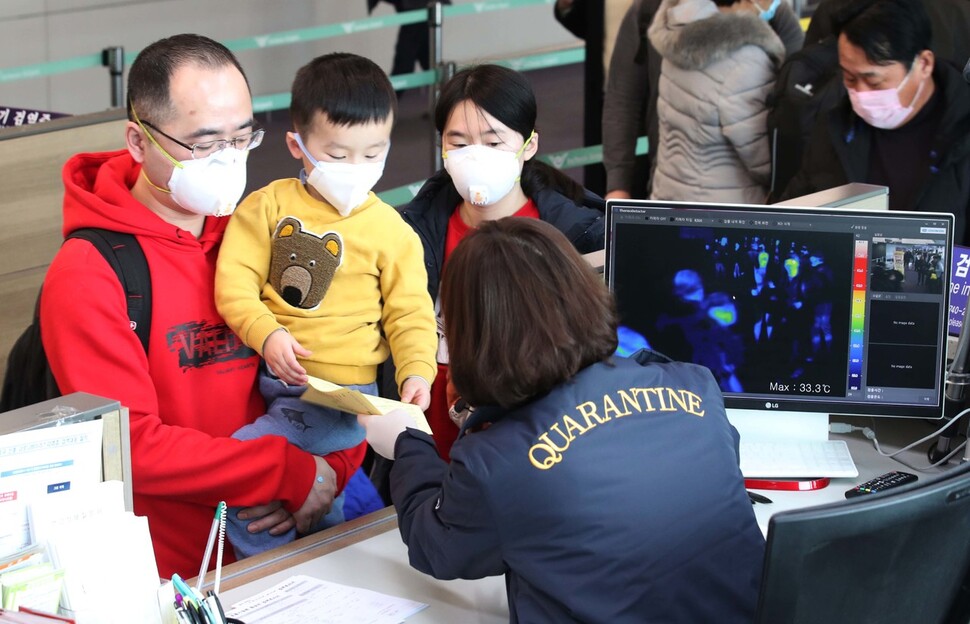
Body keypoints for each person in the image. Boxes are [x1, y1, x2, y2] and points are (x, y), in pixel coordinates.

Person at [40, 34, 363, 578]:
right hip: (180, 575)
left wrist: (325, 472)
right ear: (139, 143)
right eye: (205, 143)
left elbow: (342, 364)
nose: (230, 160)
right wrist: (287, 472)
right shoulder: (91, 272)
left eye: (242, 137)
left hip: (296, 543)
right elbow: (129, 445)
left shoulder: (263, 233)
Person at [358, 217, 765, 623]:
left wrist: (406, 444)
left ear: (475, 335)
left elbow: (437, 548)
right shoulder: (695, 385)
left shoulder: (496, 460)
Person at [215, 52, 437, 558]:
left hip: (334, 393)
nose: (356, 170)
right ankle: (327, 567)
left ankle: (265, 571)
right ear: (298, 145)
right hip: (275, 377)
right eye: (337, 155)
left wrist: (416, 371)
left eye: (372, 154)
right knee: (319, 504)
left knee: (242, 460)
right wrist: (267, 334)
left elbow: (411, 313)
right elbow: (235, 283)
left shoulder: (390, 231)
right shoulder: (267, 206)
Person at [398, 64, 606, 461]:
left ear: (529, 146)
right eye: (458, 143)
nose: (475, 157)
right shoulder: (410, 232)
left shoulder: (578, 238)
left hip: (537, 458)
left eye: (493, 144)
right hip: (432, 450)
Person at [779, 0, 970, 246]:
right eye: (849, 78)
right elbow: (796, 210)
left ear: (923, 64)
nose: (860, 92)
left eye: (874, 81)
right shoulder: (835, 128)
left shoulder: (961, 135)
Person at [603, 0, 803, 200]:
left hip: (671, 188)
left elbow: (799, 91)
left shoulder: (671, 32)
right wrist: (618, 184)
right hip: (727, 201)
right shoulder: (650, 10)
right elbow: (623, 99)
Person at [647, 0, 787, 203]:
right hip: (721, 211)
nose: (775, 4)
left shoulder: (678, 31)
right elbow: (762, 159)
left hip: (669, 195)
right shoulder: (745, 59)